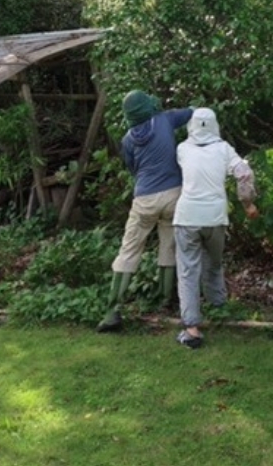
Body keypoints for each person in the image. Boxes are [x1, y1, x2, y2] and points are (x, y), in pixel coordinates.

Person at [97, 90, 193, 333]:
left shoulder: (128, 139)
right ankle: (163, 302)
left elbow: (133, 169)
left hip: (144, 198)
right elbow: (193, 113)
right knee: (168, 246)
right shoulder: (165, 120)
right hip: (173, 193)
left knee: (129, 249)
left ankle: (112, 312)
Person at [173, 107, 259, 349]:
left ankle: (192, 329)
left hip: (187, 216)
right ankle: (219, 306)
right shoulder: (224, 149)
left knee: (188, 271)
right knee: (214, 262)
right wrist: (248, 204)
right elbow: (243, 172)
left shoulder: (182, 148)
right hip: (215, 217)